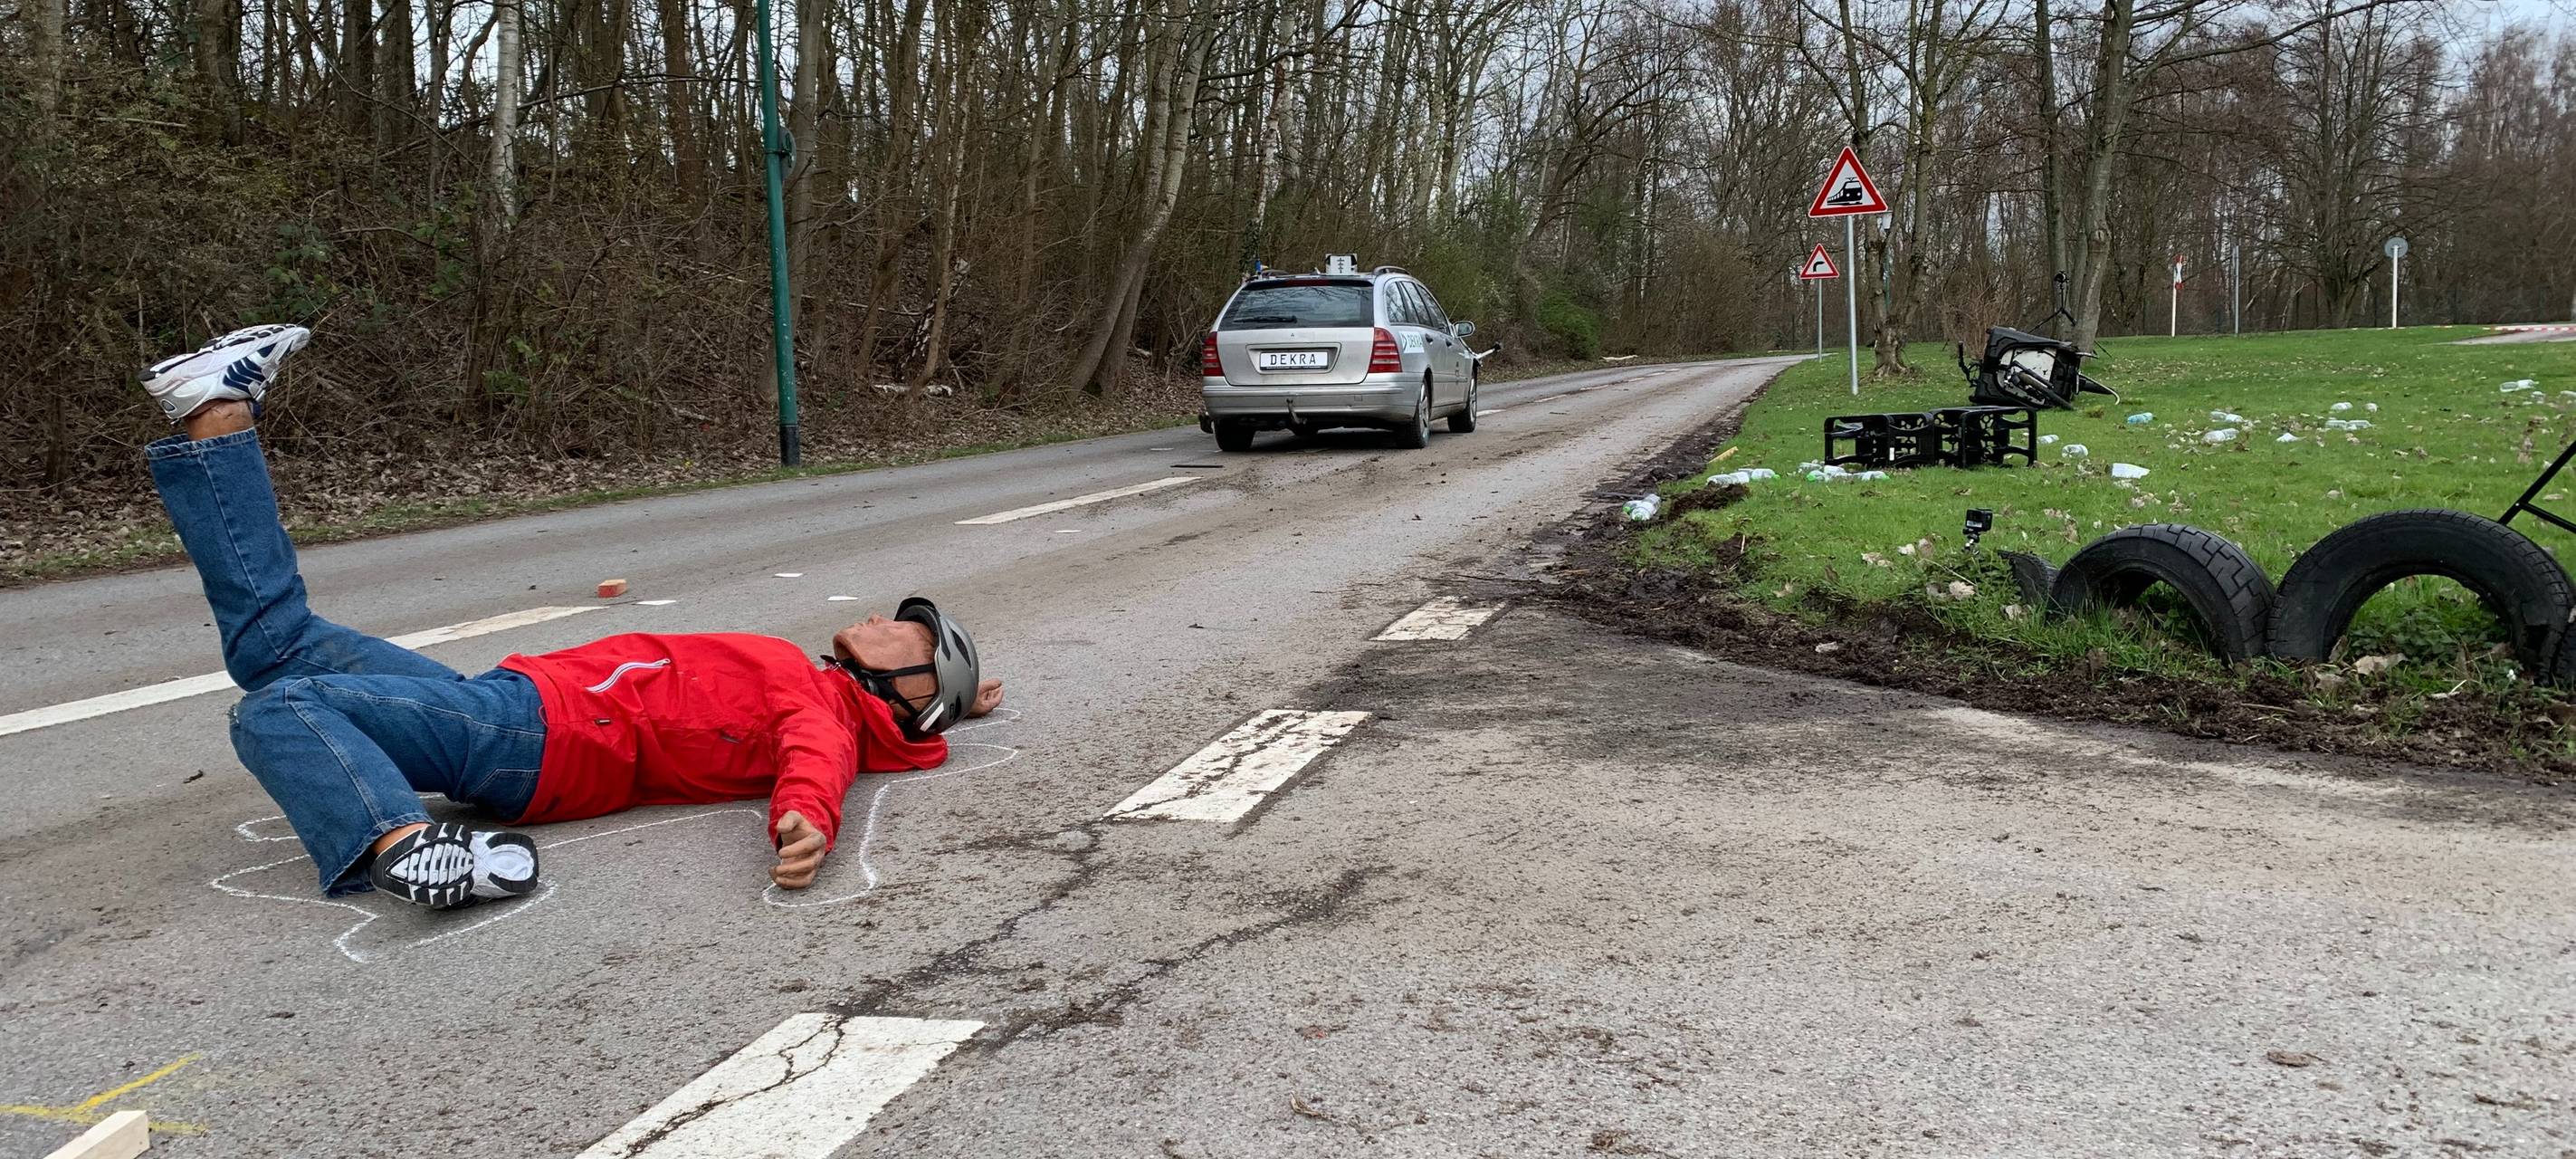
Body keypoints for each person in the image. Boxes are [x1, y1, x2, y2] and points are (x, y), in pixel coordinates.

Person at [139, 325, 1004, 910]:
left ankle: (402, 844)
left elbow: (817, 764)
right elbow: (891, 725)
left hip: (541, 738)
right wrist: (962, 702)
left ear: (907, 684)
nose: (884, 619)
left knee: (281, 708)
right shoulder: (830, 689)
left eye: (912, 636)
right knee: (280, 649)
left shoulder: (822, 711)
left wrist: (807, 821)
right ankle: (216, 419)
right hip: (511, 704)